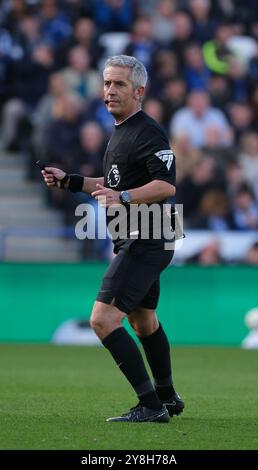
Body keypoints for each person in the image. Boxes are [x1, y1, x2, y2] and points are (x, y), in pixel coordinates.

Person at [41, 55, 184, 423]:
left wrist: (122, 198)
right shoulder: (122, 131)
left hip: (147, 235)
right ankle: (167, 397)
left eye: (119, 84)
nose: (109, 91)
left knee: (103, 320)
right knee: (143, 321)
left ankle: (150, 406)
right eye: (106, 83)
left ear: (139, 91)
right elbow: (112, 185)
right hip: (140, 235)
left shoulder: (147, 131)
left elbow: (164, 184)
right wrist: (69, 180)